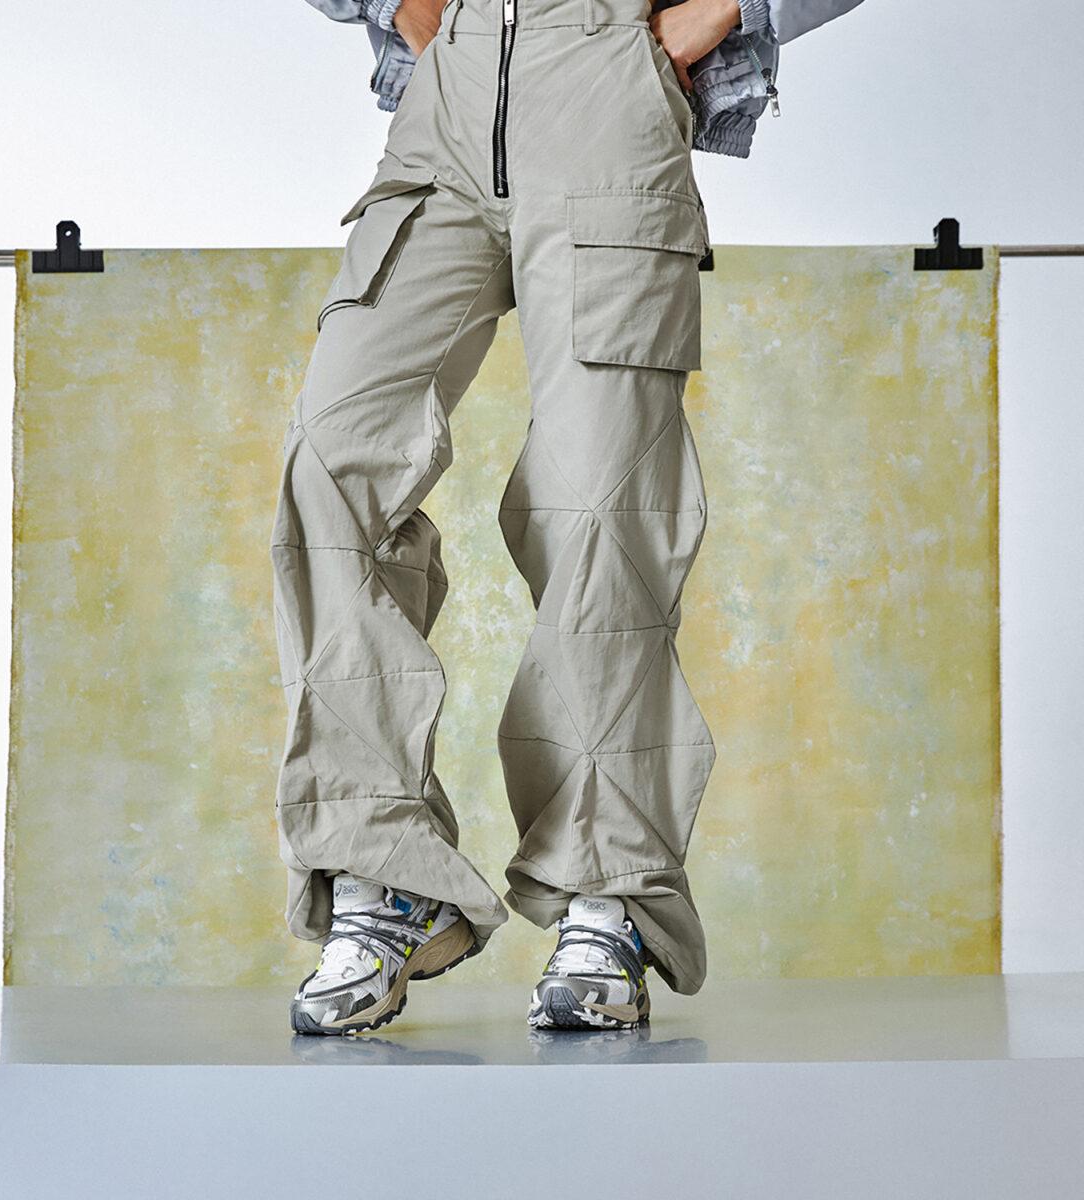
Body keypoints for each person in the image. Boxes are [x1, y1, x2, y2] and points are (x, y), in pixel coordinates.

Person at [272, 0, 864, 1035]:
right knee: (330, 467)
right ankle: (382, 873)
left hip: (609, 90)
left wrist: (712, 17)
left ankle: (605, 895)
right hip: (445, 108)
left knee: (599, 504)